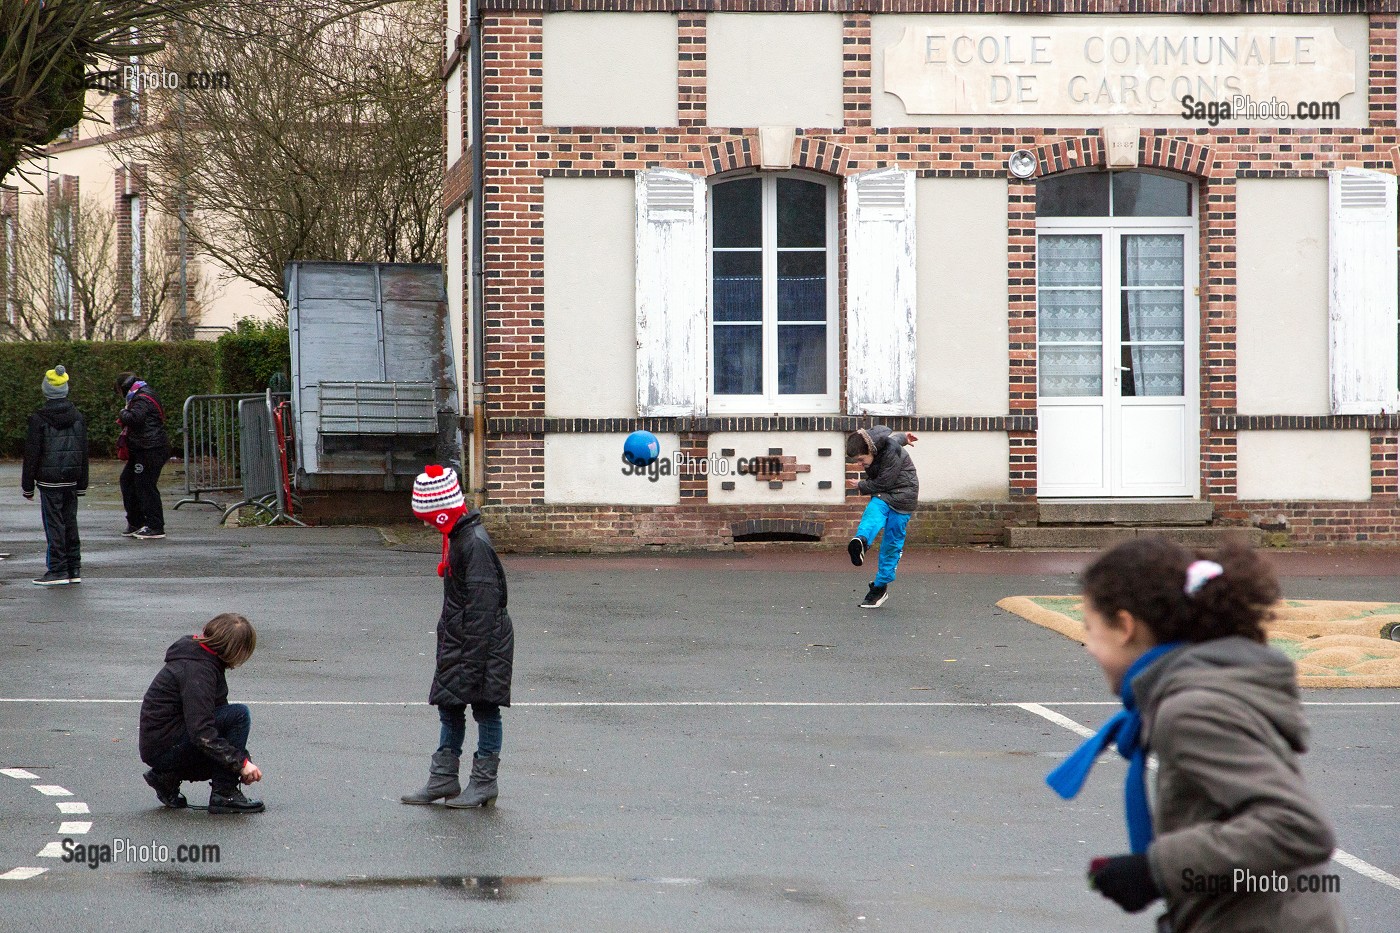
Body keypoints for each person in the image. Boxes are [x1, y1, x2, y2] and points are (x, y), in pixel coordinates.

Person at [1047, 537, 1343, 932]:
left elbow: (1297, 826)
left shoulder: (1191, 709)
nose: (1088, 646)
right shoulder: (1199, 688)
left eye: (1090, 628)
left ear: (1125, 626)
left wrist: (1157, 870)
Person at [401, 465, 514, 808]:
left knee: (485, 709)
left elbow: (483, 608)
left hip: (480, 646)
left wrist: (473, 661)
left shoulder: (473, 545)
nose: (424, 523)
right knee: (450, 707)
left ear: (442, 514)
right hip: (460, 641)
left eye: (427, 517)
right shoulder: (458, 538)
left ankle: (484, 782)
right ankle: (443, 778)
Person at [139, 613, 265, 814]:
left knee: (230, 733)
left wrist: (242, 760)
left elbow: (216, 720)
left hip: (164, 743)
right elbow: (202, 732)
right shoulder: (198, 669)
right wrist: (239, 763)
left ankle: (166, 778)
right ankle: (225, 794)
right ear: (235, 650)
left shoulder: (202, 658)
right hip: (165, 748)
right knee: (239, 715)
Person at [21, 365, 89, 587]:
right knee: (70, 522)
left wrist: (27, 485)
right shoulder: (78, 416)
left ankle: (57, 569)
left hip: (49, 480)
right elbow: (83, 450)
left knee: (54, 525)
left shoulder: (39, 419)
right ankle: (73, 567)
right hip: (71, 477)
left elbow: (32, 453)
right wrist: (82, 482)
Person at [844, 426, 919, 608]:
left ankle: (880, 587)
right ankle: (861, 541)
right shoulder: (879, 445)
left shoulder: (890, 452)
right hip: (884, 495)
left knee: (892, 543)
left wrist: (862, 485)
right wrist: (905, 438)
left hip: (903, 497)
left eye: (862, 460)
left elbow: (884, 482)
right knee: (873, 513)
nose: (861, 464)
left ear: (871, 450)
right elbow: (895, 439)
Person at [114, 371, 169, 540]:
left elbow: (135, 418)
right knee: (128, 481)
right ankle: (136, 522)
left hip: (150, 449)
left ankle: (155, 526)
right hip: (145, 448)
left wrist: (122, 413)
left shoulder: (141, 398)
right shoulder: (144, 394)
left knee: (145, 485)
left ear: (124, 387)